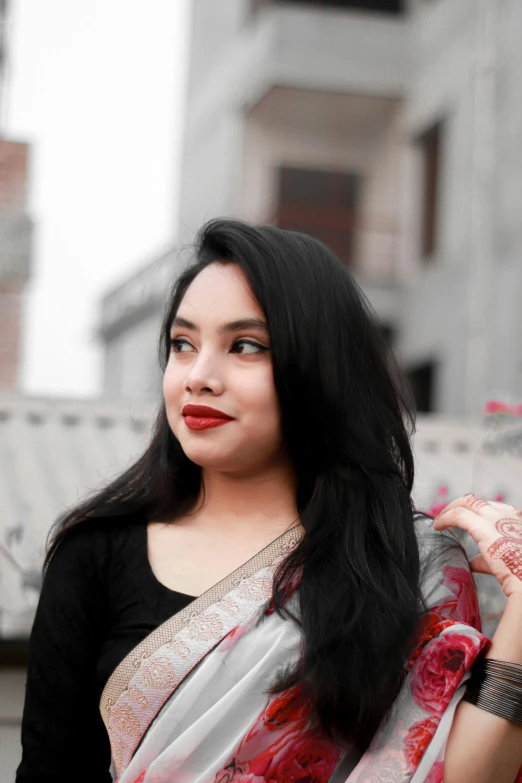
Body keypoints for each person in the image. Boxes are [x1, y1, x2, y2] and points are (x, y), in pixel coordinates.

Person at [16, 219, 522, 783]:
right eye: (183, 345)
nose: (199, 376)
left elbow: (462, 775)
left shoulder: (405, 566)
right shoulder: (93, 556)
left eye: (246, 346)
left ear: (320, 371)